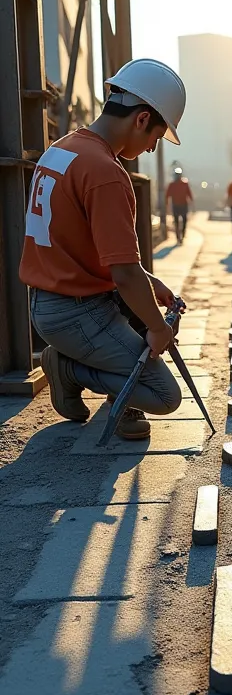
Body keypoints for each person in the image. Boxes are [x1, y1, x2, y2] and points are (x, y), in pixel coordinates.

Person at [20, 57, 187, 440]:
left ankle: (85, 368)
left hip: (49, 301)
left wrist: (151, 284)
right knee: (164, 395)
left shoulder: (64, 149)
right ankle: (68, 368)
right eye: (155, 139)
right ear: (142, 119)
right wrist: (159, 330)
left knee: (147, 303)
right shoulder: (106, 173)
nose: (149, 150)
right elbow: (125, 275)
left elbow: (82, 248)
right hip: (75, 314)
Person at [166, 166, 193, 244]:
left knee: (184, 221)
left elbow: (189, 194)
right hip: (176, 205)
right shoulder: (172, 185)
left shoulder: (185, 184)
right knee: (176, 222)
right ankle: (178, 238)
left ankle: (182, 236)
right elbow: (167, 195)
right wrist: (167, 205)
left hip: (183, 205)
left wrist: (191, 203)